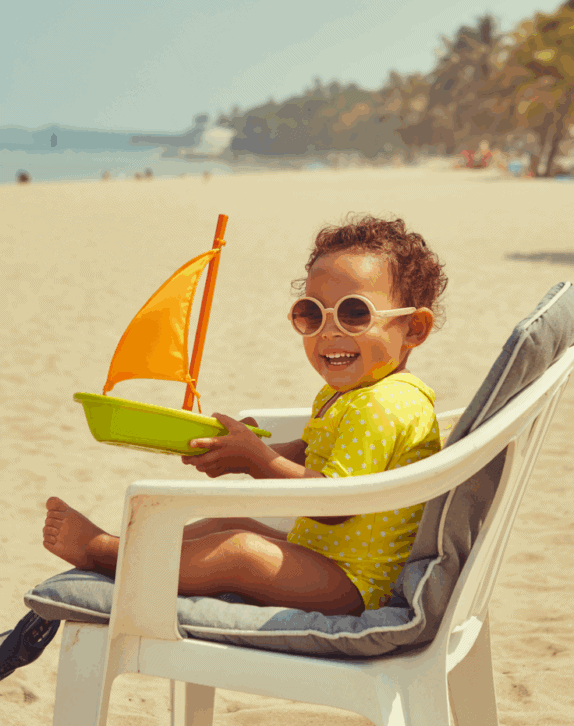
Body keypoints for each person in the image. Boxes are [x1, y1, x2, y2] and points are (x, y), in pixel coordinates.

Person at [43, 216, 446, 617]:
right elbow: (311, 451)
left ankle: (103, 554)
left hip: (356, 585)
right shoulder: (352, 392)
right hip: (326, 561)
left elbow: (333, 504)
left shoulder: (384, 405)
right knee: (228, 522)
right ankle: (132, 552)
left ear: (414, 328)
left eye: (354, 313)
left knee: (239, 552)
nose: (328, 332)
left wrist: (258, 461)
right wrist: (246, 450)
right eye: (311, 314)